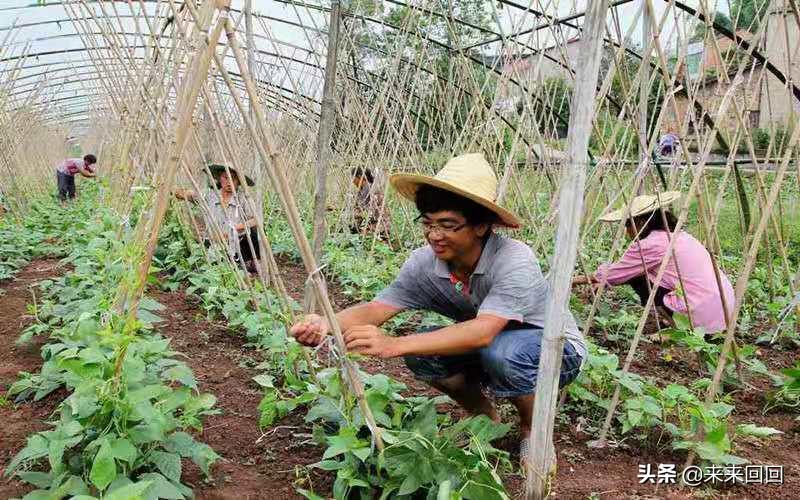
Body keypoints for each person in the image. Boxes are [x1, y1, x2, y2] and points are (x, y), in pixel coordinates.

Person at [291, 153, 586, 464]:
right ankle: (484, 415)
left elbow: (484, 332)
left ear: (482, 226)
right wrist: (326, 323)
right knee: (423, 352)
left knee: (504, 351)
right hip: (490, 348)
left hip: (554, 351)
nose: (434, 235)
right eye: (429, 223)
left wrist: (392, 344)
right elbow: (378, 308)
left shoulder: (513, 260)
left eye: (448, 225)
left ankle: (532, 430)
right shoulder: (425, 263)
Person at [573, 191, 735, 335]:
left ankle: (681, 327)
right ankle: (684, 322)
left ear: (642, 222)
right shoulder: (678, 236)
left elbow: (614, 274)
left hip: (701, 311)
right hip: (723, 308)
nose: (627, 230)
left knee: (636, 277)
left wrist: (573, 281)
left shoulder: (650, 245)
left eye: (628, 224)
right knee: (638, 272)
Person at [174, 164, 261, 273]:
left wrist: (235, 228)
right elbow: (191, 195)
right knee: (211, 265)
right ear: (220, 179)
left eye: (234, 178)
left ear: (238, 181)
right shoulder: (210, 196)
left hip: (236, 242)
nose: (229, 182)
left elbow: (256, 219)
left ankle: (252, 261)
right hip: (214, 241)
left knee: (254, 232)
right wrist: (176, 192)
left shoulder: (243, 198)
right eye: (226, 177)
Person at [350, 167, 390, 240]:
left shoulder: (374, 191)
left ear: (359, 177)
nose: (352, 181)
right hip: (367, 225)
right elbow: (357, 211)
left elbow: (371, 214)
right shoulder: (359, 193)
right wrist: (354, 224)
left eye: (353, 178)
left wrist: (363, 229)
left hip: (379, 226)